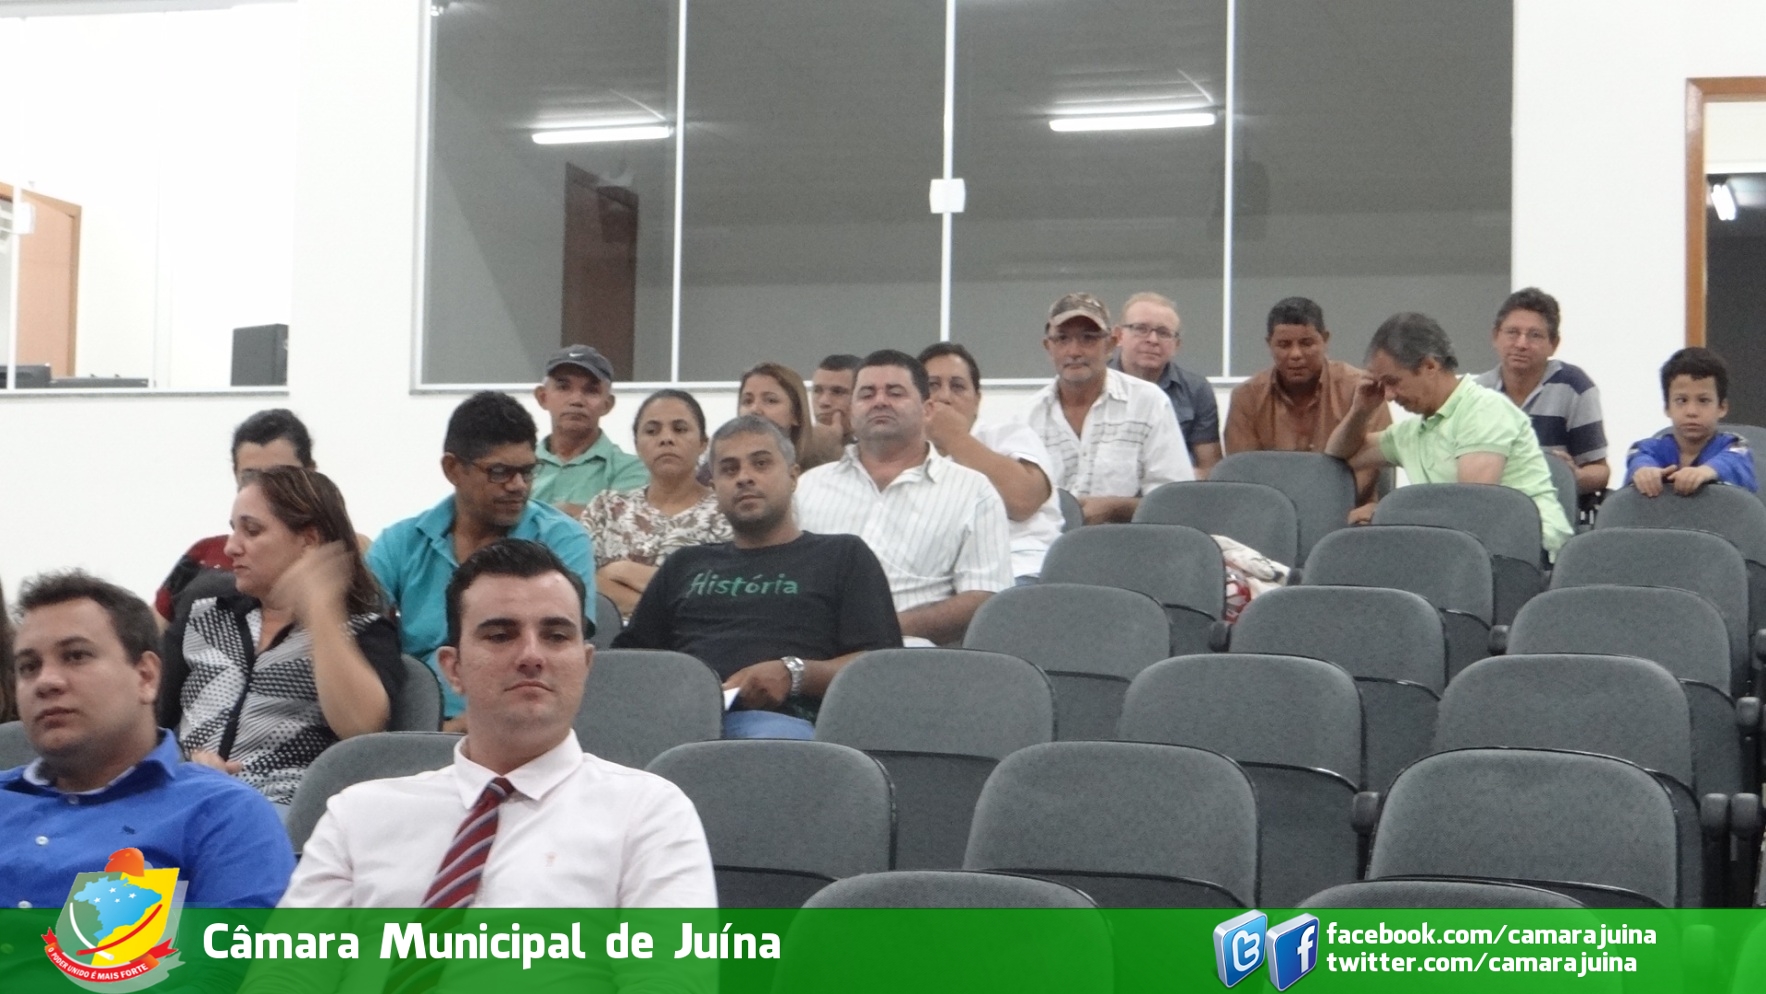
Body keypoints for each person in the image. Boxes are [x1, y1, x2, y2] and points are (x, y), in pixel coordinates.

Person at [281, 540, 715, 907]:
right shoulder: (358, 815)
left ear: (585, 664)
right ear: (453, 669)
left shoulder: (648, 815)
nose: (531, 655)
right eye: (500, 635)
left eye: (556, 636)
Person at [2, 571, 293, 909]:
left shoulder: (219, 813)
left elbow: (237, 947)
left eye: (76, 656)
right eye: (28, 667)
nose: (46, 681)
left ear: (146, 676)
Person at [616, 416, 903, 739]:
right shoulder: (684, 564)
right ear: (714, 488)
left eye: (761, 464)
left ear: (793, 476)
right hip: (681, 724)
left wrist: (794, 673)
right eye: (729, 469)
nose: (744, 478)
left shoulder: (843, 556)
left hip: (794, 728)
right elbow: (630, 665)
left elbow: (880, 668)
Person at [159, 467, 404, 808]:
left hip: (283, 810)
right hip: (184, 797)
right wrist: (184, 768)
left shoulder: (363, 632)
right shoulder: (206, 614)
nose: (230, 547)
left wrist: (321, 609)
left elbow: (361, 728)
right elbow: (147, 719)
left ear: (308, 541)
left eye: (252, 531)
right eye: (233, 529)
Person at [368, 391, 593, 728]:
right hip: (417, 726)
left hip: (524, 718)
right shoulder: (400, 543)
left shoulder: (563, 540)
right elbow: (360, 642)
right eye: (499, 472)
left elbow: (564, 660)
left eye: (528, 471)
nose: (518, 485)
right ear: (452, 469)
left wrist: (469, 727)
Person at [796, 350, 1012, 644]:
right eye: (867, 394)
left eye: (895, 393)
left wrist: (881, 629)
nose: (880, 401)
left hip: (910, 654)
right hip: (809, 647)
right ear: (852, 410)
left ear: (927, 409)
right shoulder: (808, 487)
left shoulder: (973, 491)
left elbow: (984, 596)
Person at [1324, 312, 1573, 554]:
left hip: (1526, 553)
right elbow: (1339, 455)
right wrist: (1360, 411)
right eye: (1382, 385)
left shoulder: (1484, 410)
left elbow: (1469, 506)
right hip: (1462, 552)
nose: (1387, 396)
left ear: (1430, 366)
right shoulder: (1413, 432)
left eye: (1393, 382)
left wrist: (1388, 514)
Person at [1026, 292, 1194, 523]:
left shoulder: (1149, 404)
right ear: (1048, 347)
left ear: (1111, 344)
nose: (1074, 351)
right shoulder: (1027, 417)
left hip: (1128, 539)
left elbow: (1176, 502)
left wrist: (1117, 508)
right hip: (1047, 542)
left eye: (1088, 338)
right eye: (1062, 339)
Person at [1225, 297, 1392, 508]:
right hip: (1270, 514)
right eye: (1284, 345)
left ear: (1325, 340)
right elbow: (1243, 474)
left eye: (1306, 343)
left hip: (1349, 511)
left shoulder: (1362, 391)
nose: (1295, 354)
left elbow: (1369, 468)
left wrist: (1322, 511)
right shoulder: (1246, 398)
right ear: (1269, 344)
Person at [154, 408, 316, 622]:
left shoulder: (343, 556)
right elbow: (146, 636)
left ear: (311, 473)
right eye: (251, 477)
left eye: (281, 477)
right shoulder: (204, 556)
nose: (264, 490)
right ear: (235, 475)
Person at [583, 389, 732, 619]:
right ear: (636, 444)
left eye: (680, 429)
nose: (666, 438)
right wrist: (667, 608)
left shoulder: (727, 513)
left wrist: (621, 570)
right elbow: (581, 582)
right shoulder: (606, 508)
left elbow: (719, 595)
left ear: (703, 443)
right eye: (652, 431)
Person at [919, 342, 1061, 583]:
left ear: (977, 400)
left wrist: (954, 437)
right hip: (939, 579)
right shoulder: (906, 457)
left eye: (957, 386)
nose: (944, 397)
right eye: (933, 386)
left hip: (1016, 570)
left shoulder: (1010, 435)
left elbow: (1023, 501)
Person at [1473, 288, 1610, 495]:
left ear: (1553, 344)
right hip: (1492, 504)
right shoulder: (1478, 392)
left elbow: (1600, 470)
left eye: (1534, 335)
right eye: (1512, 332)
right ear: (1495, 336)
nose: (1521, 344)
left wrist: (1572, 476)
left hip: (1554, 503)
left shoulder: (1575, 387)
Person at [1108, 291, 1222, 476]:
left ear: (1177, 345)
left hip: (1173, 489)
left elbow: (1210, 470)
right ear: (1118, 336)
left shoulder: (1197, 390)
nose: (1153, 340)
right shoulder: (1095, 384)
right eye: (1141, 329)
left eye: (1163, 333)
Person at [530, 345, 649, 519]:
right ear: (542, 397)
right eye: (563, 387)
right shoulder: (519, 466)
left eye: (591, 391)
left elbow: (625, 526)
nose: (576, 400)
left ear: (607, 404)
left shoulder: (632, 470)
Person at [1624, 347, 1758, 496]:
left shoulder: (1736, 446)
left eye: (1703, 400)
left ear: (1722, 407)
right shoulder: (1646, 449)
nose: (1692, 411)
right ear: (1667, 407)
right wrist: (1644, 471)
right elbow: (1639, 457)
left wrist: (1706, 471)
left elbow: (1733, 461)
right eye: (1681, 400)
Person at [738, 362, 843, 471]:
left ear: (796, 414)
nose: (755, 409)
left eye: (770, 400)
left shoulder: (821, 472)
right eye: (747, 401)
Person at [811, 353, 863, 443]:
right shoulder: (795, 448)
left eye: (837, 392)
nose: (824, 402)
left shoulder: (881, 447)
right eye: (817, 390)